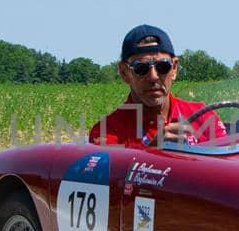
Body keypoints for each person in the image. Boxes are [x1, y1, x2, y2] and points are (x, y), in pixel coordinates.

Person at [89, 25, 226, 148]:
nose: (153, 77)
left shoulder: (203, 116)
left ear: (174, 68)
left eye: (162, 67)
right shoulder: (107, 131)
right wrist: (153, 151)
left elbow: (229, 164)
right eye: (141, 68)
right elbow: (113, 172)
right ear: (124, 73)